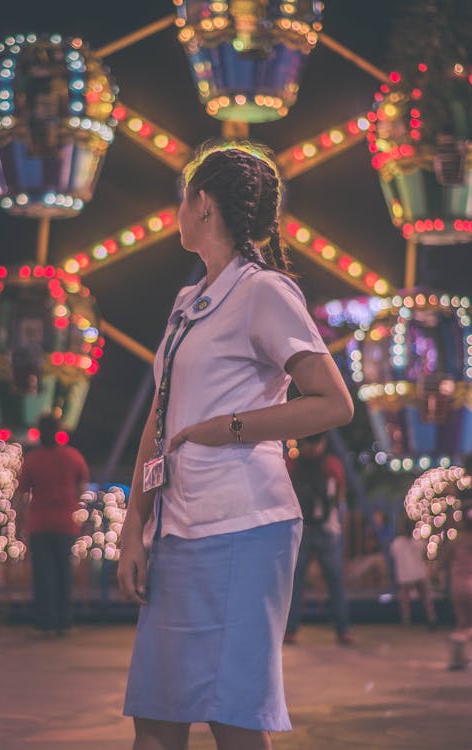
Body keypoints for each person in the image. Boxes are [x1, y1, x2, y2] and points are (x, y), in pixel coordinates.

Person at [117, 141, 354, 750]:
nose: (176, 210)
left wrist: (233, 426)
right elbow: (159, 420)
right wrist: (133, 524)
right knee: (157, 717)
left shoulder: (264, 291)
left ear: (202, 205)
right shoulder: (185, 305)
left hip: (244, 526)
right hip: (176, 530)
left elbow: (332, 402)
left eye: (181, 198)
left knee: (233, 717)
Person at [16, 414, 90, 636]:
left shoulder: (32, 459)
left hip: (39, 523)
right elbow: (82, 483)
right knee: (63, 573)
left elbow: (22, 493)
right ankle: (63, 622)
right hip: (64, 522)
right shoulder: (72, 456)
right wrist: (73, 502)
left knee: (43, 575)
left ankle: (44, 622)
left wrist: (21, 521)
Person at [284, 432, 353, 646]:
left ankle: (292, 630)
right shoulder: (330, 464)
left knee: (299, 582)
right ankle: (342, 629)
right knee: (330, 582)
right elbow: (341, 494)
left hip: (311, 527)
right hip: (322, 528)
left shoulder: (293, 464)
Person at [440, 498, 472, 670]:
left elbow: (442, 562)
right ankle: (460, 641)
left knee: (462, 623)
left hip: (457, 585)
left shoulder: (456, 541)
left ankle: (458, 660)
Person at [389, 514, 437, 628]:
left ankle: (406, 621)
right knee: (426, 597)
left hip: (404, 576)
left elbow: (392, 557)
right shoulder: (419, 543)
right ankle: (431, 617)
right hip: (419, 573)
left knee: (405, 599)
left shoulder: (396, 544)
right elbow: (425, 555)